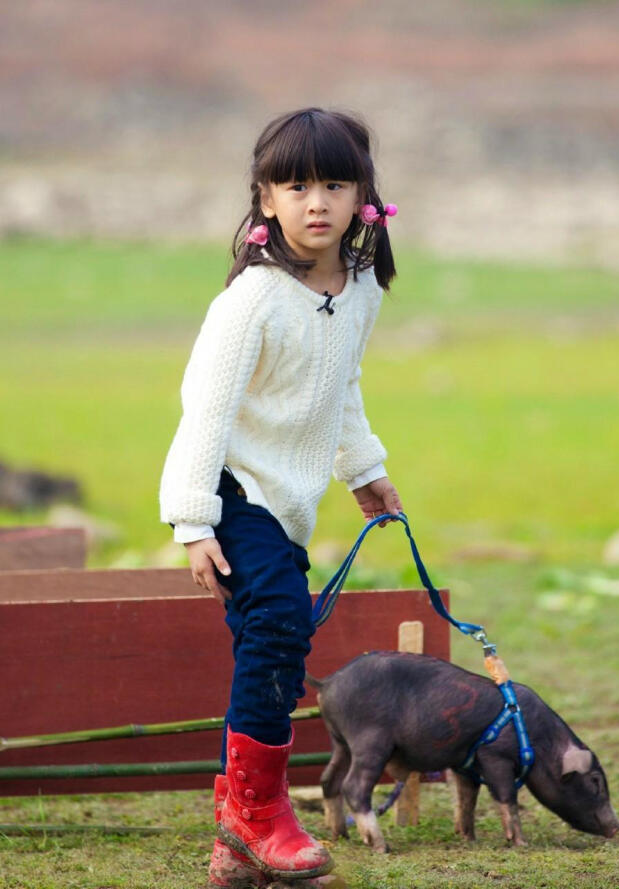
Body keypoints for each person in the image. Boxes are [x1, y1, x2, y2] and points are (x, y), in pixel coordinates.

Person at [159, 107, 403, 888]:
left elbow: (342, 386)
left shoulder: (360, 290)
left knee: (267, 643)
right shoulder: (252, 301)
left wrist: (363, 468)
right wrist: (194, 518)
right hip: (234, 493)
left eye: (334, 182)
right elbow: (207, 409)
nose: (315, 201)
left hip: (288, 504)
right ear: (265, 199)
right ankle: (263, 814)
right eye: (295, 184)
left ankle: (233, 849)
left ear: (363, 195)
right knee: (279, 625)